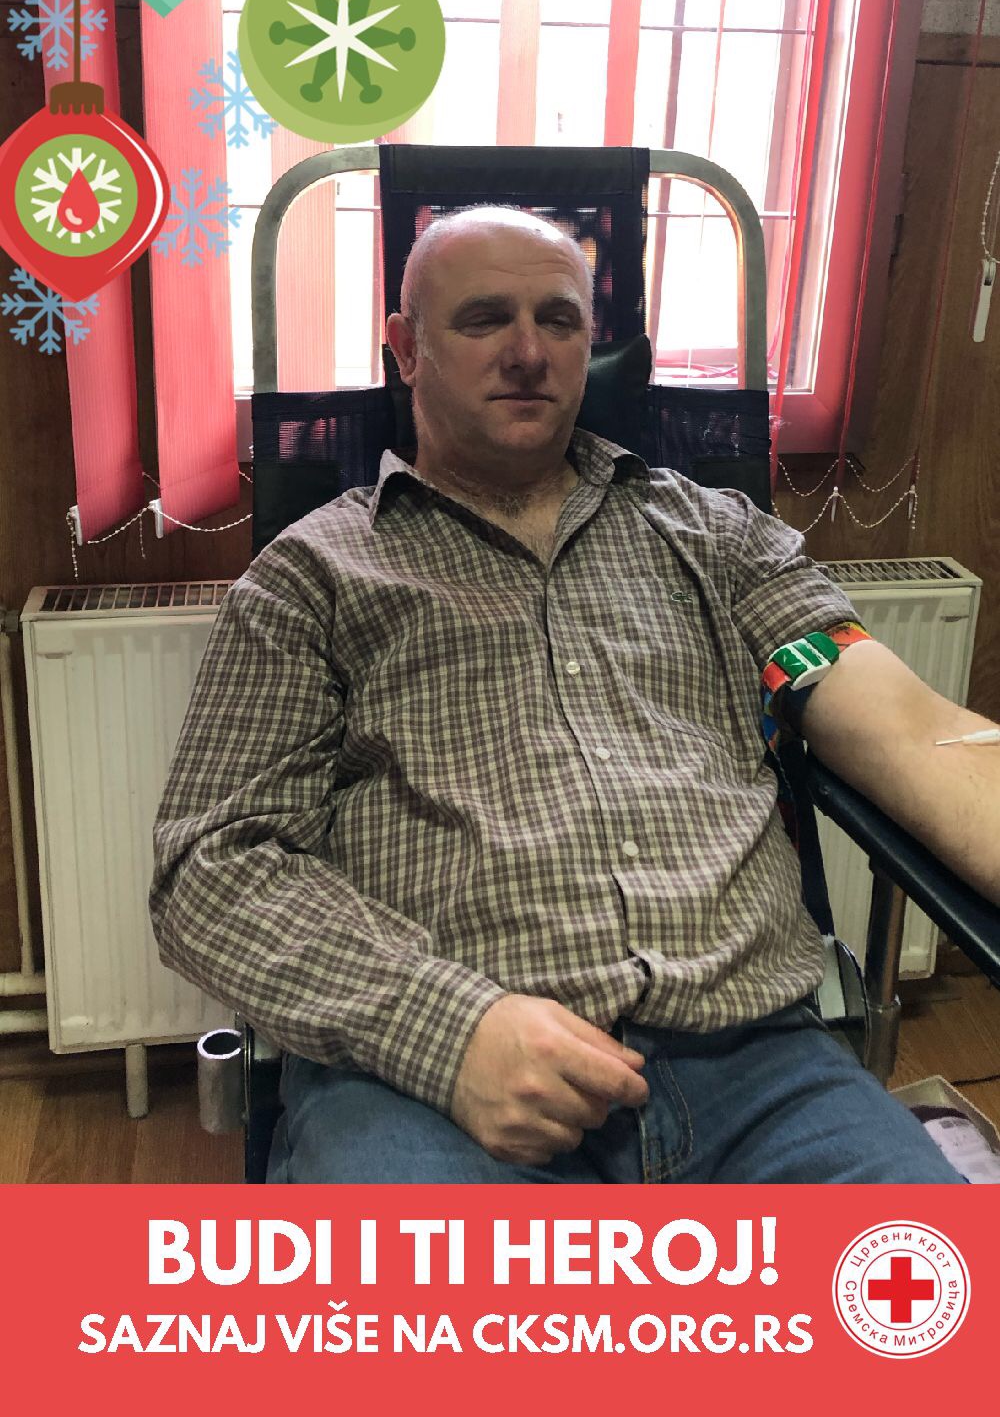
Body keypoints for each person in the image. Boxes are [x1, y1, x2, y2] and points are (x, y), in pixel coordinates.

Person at [150, 207, 1000, 1184]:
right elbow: (210, 864)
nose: (527, 352)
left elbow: (908, 731)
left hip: (759, 1067)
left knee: (920, 1280)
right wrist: (447, 1031)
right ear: (406, 348)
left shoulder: (716, 538)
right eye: (483, 318)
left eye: (557, 319)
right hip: (425, 1087)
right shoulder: (312, 578)